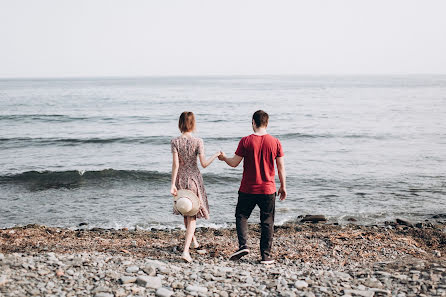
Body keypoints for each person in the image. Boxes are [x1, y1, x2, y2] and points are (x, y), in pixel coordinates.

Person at [219, 110, 286, 264]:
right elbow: (281, 167)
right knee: (267, 221)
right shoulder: (275, 142)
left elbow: (234, 163)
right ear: (267, 123)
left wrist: (223, 158)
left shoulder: (246, 141)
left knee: (241, 216)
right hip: (268, 189)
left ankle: (243, 245)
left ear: (253, 123)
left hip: (247, 189)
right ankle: (265, 256)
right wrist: (283, 186)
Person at [170, 111, 221, 263]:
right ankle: (186, 251)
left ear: (180, 124)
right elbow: (204, 164)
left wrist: (173, 184)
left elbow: (175, 164)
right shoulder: (198, 141)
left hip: (180, 179)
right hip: (193, 180)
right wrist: (216, 155)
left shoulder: (174, 142)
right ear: (193, 124)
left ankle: (194, 242)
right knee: (192, 216)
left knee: (186, 212)